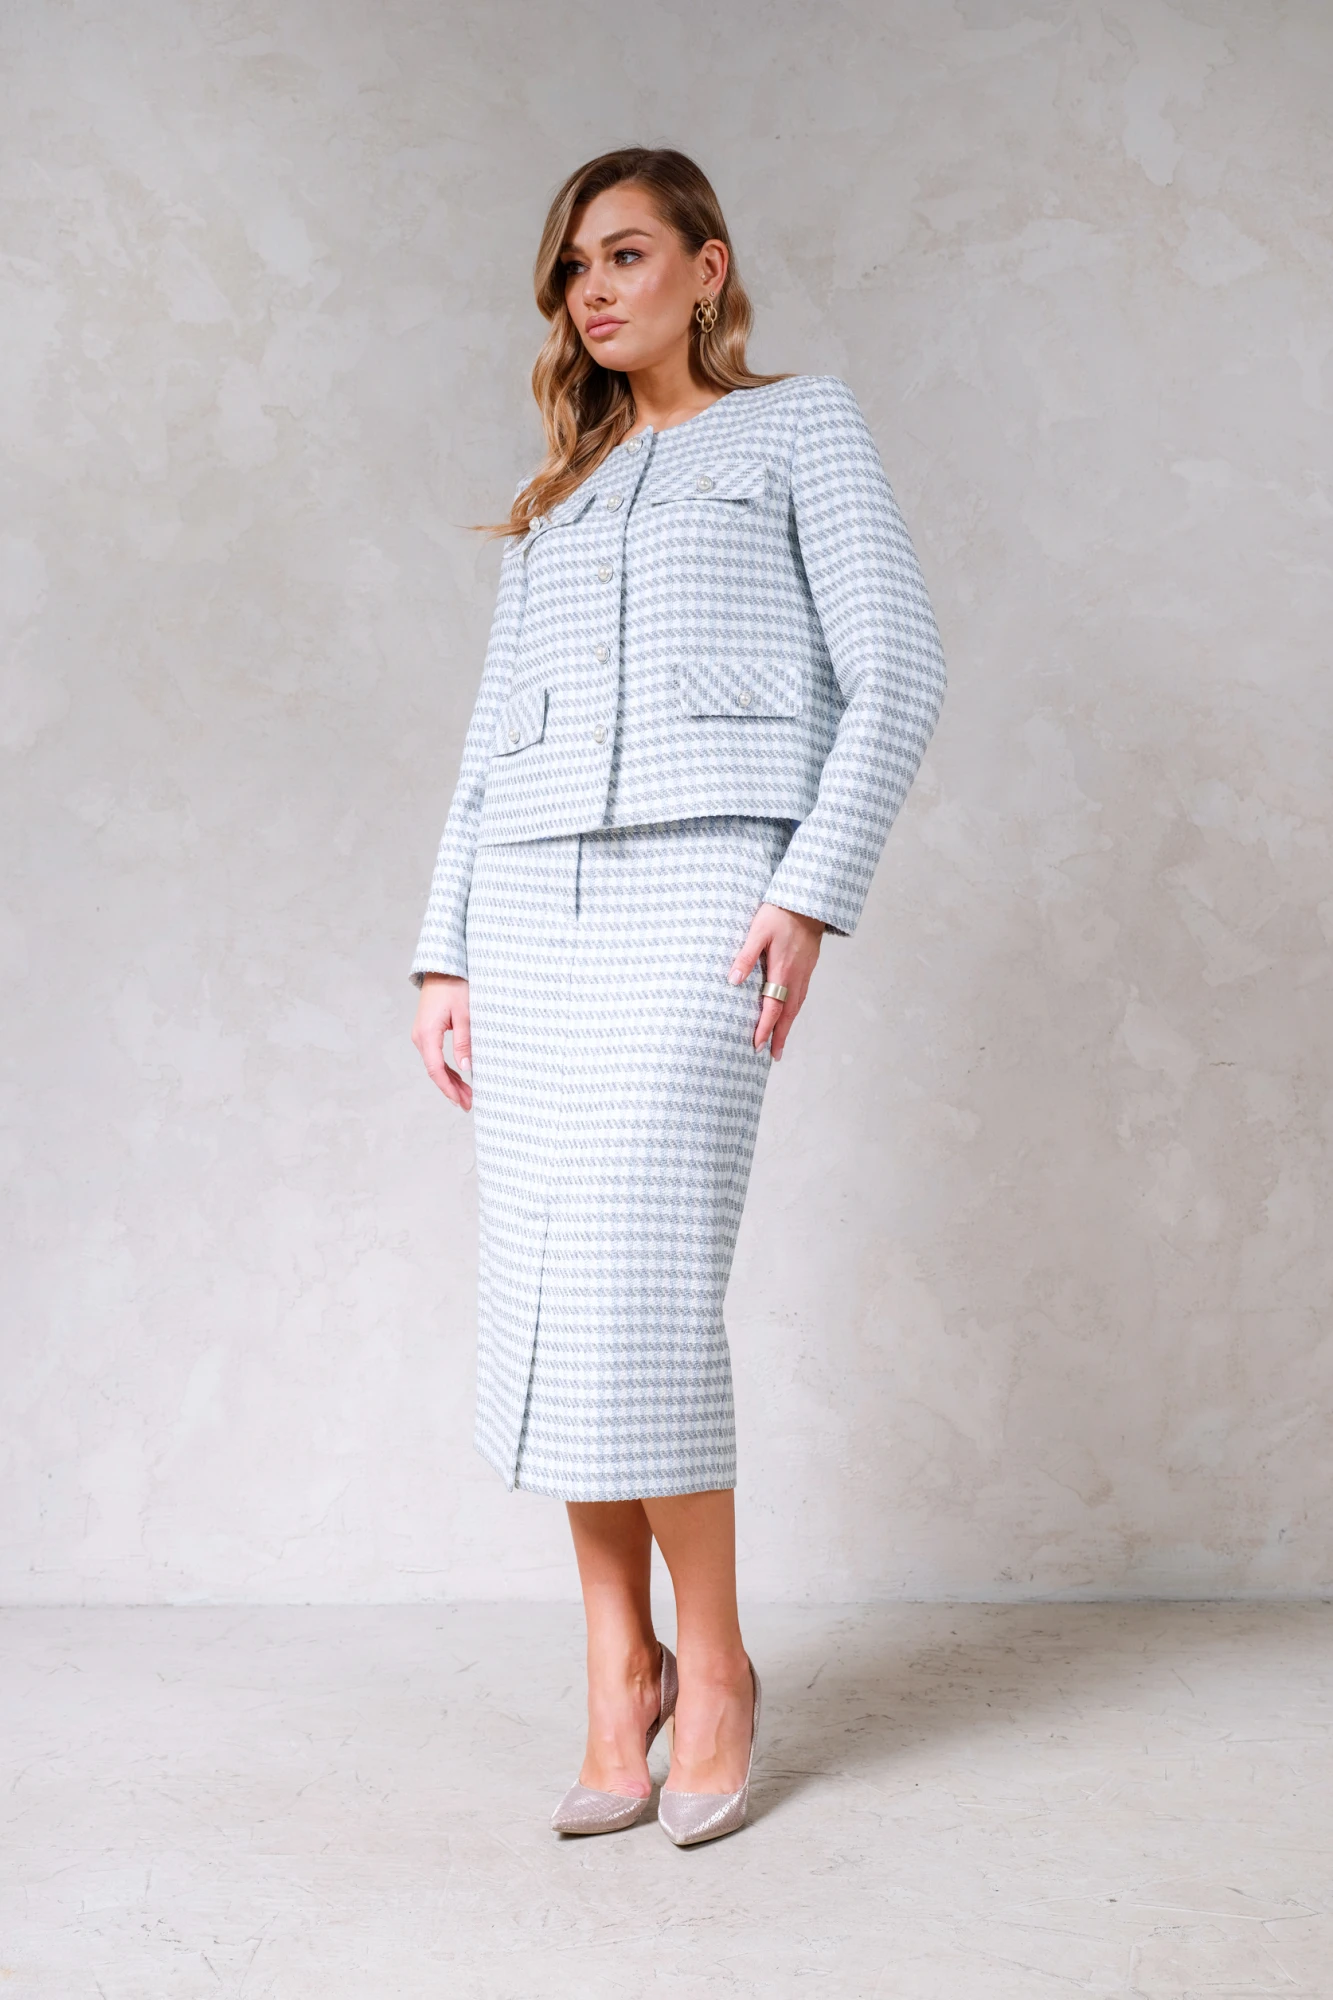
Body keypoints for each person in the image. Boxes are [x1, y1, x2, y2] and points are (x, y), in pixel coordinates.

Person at [410, 146, 946, 1847]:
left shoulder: (802, 430)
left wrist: (809, 890)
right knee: (554, 1292)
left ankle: (710, 1669)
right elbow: (486, 749)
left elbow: (899, 670)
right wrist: (444, 952)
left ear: (708, 267)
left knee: (638, 1282)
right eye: (576, 267)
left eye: (628, 254)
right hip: (531, 914)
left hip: (709, 888)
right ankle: (613, 1672)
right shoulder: (554, 501)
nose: (596, 289)